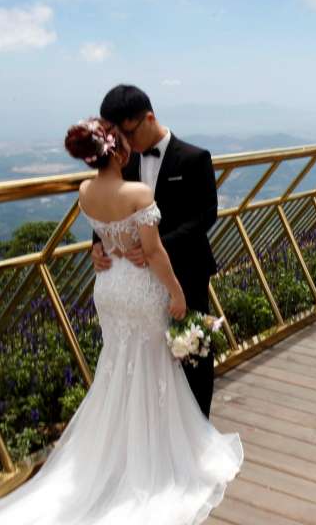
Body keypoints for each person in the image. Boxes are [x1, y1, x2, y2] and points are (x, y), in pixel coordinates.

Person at [0, 118, 242, 524]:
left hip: (109, 287)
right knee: (153, 364)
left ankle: (117, 454)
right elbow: (153, 253)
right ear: (118, 150)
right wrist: (176, 293)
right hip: (140, 287)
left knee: (118, 363)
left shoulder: (85, 191)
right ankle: (151, 455)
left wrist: (103, 251)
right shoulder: (137, 192)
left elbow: (104, 238)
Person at [93, 84, 219, 417]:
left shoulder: (194, 158)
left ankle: (199, 427)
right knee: (151, 360)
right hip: (137, 281)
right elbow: (109, 204)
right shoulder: (123, 161)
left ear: (149, 117)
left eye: (128, 132)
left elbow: (205, 216)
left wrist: (158, 248)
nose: (123, 142)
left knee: (192, 350)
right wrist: (97, 244)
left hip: (186, 269)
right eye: (115, 135)